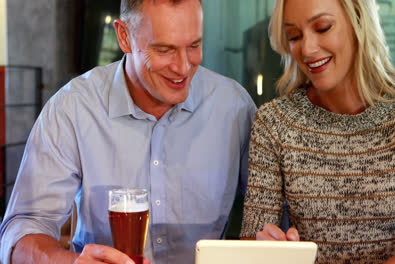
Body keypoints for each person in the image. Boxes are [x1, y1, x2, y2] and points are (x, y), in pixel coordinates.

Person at [0, 0, 256, 263]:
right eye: (165, 49)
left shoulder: (234, 107)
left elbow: (270, 217)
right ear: (124, 36)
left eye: (194, 46)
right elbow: (23, 230)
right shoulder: (72, 108)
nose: (183, 67)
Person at [239, 0, 395, 263]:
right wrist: (272, 250)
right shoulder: (274, 122)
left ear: (359, 22)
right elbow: (252, 240)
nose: (307, 49)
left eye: (323, 27)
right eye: (294, 36)